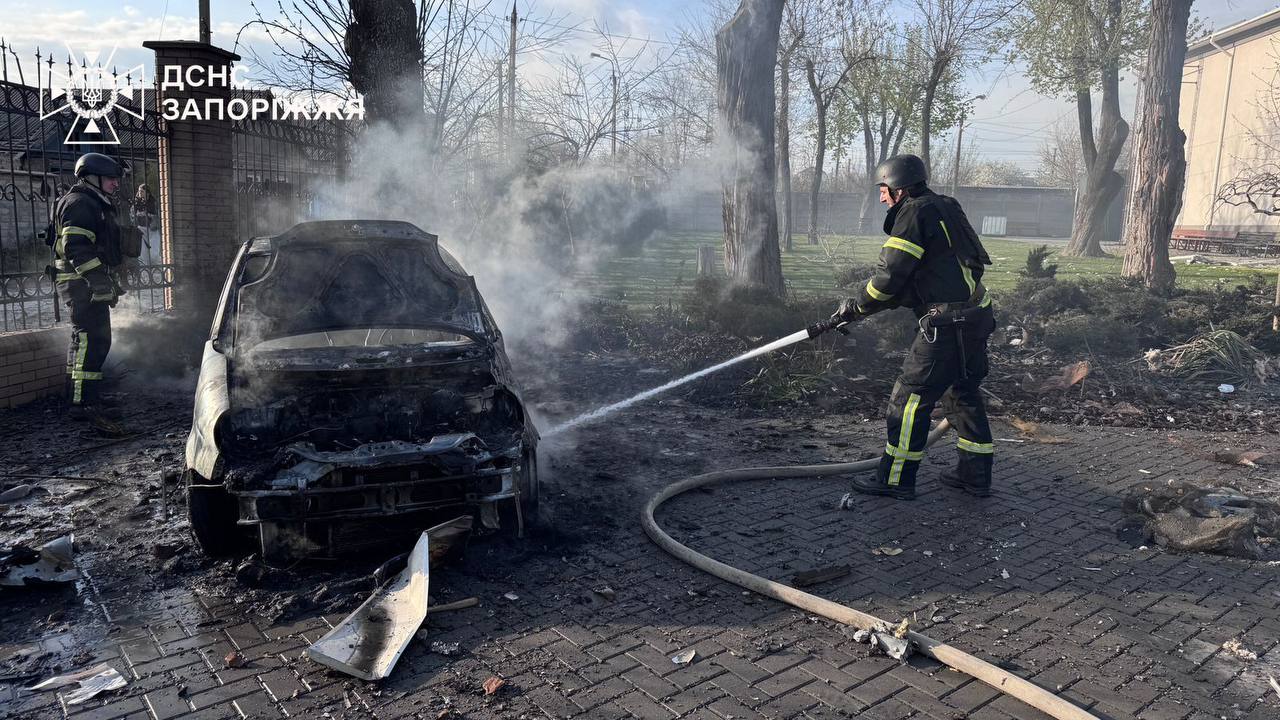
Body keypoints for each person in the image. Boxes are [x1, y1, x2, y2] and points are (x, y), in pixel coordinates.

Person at [831, 154, 996, 500]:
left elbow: (889, 278)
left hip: (946, 324)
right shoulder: (945, 206)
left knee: (908, 401)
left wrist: (857, 305)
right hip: (976, 315)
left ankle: (894, 479)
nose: (881, 197)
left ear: (898, 188)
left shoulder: (912, 213)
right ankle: (975, 475)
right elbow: (934, 272)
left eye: (883, 188)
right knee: (962, 391)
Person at [52, 153, 127, 416]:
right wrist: (97, 281)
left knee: (86, 340)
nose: (115, 184)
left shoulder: (91, 201)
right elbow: (77, 247)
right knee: (90, 340)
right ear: (91, 177)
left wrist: (105, 280)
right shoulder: (80, 203)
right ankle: (82, 403)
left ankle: (82, 396)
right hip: (80, 282)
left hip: (84, 282)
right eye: (110, 179)